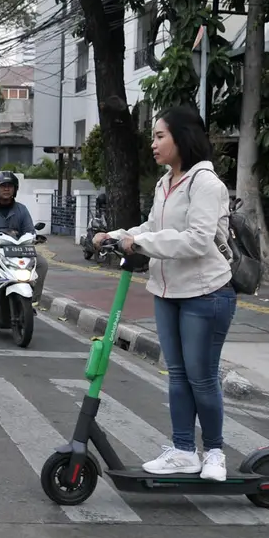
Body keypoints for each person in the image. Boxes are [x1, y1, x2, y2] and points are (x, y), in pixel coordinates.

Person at [93, 105, 235, 482]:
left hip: (206, 293)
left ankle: (216, 453)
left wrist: (139, 242)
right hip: (168, 290)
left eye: (159, 136)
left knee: (201, 378)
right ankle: (184, 451)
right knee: (176, 375)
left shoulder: (206, 184)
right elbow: (152, 227)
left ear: (182, 137)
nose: (153, 144)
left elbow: (197, 239)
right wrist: (120, 234)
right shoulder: (164, 183)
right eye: (153, 137)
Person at [0, 171, 50, 318]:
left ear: (15, 189)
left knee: (42, 263)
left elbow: (30, 230)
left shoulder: (22, 210)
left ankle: (31, 302)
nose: (6, 189)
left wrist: (34, 237)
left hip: (17, 252)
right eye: (3, 186)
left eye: (10, 186)